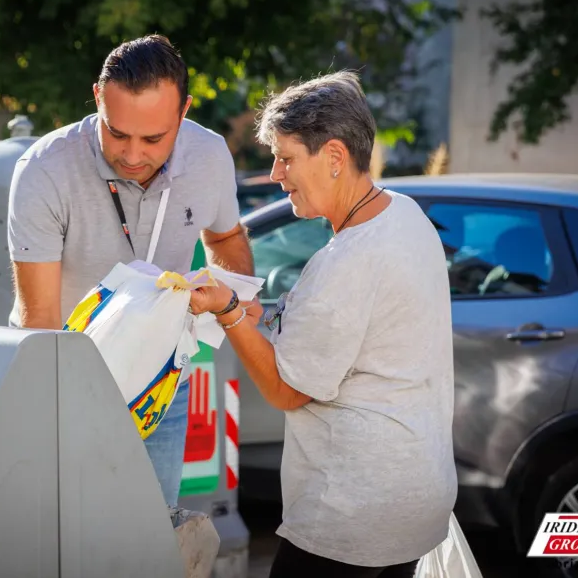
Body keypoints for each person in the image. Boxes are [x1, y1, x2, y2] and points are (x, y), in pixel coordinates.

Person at [189, 70, 458, 577]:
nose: (275, 173)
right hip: (414, 496)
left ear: (334, 156)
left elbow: (288, 390)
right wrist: (261, 319)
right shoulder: (404, 213)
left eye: (286, 158)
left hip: (353, 509)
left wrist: (229, 313)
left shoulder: (348, 260)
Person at [6, 34, 259, 513]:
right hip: (65, 383)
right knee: (68, 532)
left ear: (184, 111)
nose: (133, 155)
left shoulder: (209, 155)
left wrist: (236, 295)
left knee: (152, 533)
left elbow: (225, 236)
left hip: (164, 385)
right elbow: (40, 320)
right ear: (98, 97)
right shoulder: (44, 168)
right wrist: (62, 416)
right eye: (117, 133)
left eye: (154, 139)